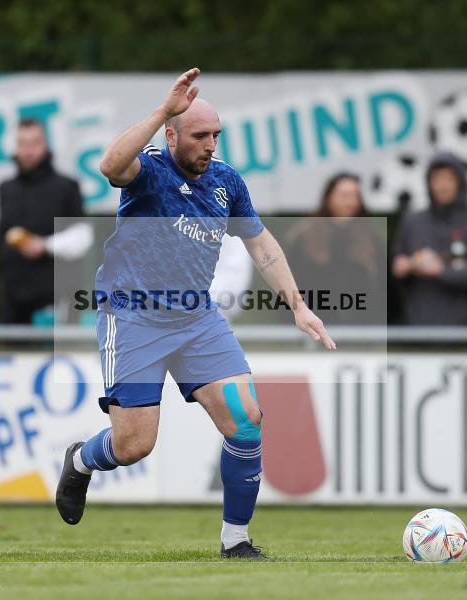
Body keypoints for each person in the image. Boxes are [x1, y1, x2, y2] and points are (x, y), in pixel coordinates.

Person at [54, 68, 335, 559]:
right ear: (172, 136)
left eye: (215, 135)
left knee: (246, 420)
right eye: (200, 136)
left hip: (195, 318)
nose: (210, 145)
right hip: (133, 315)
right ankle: (81, 460)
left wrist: (298, 305)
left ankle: (236, 542)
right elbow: (110, 165)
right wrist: (164, 109)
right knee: (134, 446)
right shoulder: (150, 171)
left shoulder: (226, 181)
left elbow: (260, 243)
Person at [0, 118, 92, 324]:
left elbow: (82, 237)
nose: (28, 151)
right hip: (14, 301)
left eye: (34, 143)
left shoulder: (66, 187)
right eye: (22, 144)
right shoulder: (4, 190)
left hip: (57, 299)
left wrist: (44, 246)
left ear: (45, 145)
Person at [391, 152, 467, 325]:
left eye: (448, 179)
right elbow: (394, 274)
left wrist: (441, 271)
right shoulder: (413, 223)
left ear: (461, 182)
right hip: (418, 327)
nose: (442, 186)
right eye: (436, 179)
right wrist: (403, 267)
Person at [285, 172, 386, 325]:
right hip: (313, 325)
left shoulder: (371, 238)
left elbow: (381, 287)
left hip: (360, 327)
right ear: (328, 198)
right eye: (344, 195)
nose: (350, 202)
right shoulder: (304, 236)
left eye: (355, 196)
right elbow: (288, 283)